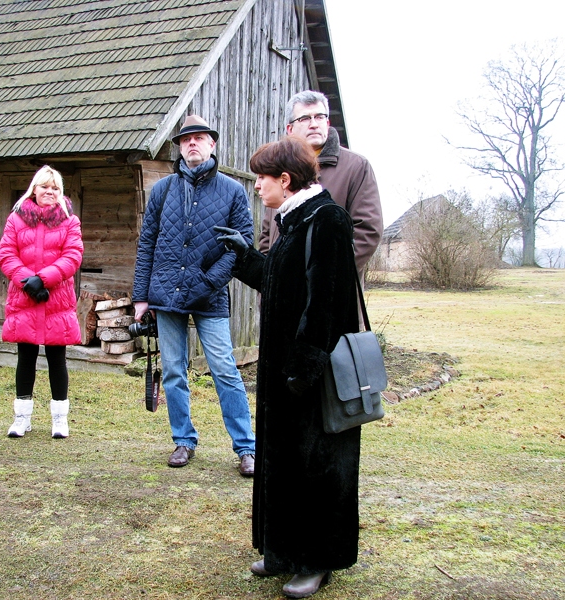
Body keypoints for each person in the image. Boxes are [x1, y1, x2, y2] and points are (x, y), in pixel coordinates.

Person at [215, 136, 361, 598]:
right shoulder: (293, 222)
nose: (256, 185)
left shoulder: (328, 221)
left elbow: (325, 305)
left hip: (312, 375)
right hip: (285, 371)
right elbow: (278, 285)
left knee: (318, 464)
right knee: (284, 462)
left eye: (262, 177)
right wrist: (244, 256)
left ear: (285, 179)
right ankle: (281, 551)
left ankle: (315, 560)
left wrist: (302, 371)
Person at [132, 115, 256, 477]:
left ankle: (246, 447)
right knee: (173, 370)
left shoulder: (232, 191)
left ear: (212, 144)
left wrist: (207, 282)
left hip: (210, 297)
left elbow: (240, 247)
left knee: (225, 370)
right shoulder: (163, 190)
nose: (192, 144)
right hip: (165, 295)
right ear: (180, 147)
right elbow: (147, 244)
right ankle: (183, 440)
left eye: (200, 138)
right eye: (186, 140)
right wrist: (141, 296)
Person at [0, 165, 83, 440]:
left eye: (55, 187)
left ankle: (60, 419)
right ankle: (21, 418)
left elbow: (73, 256)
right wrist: (28, 281)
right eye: (45, 186)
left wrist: (44, 280)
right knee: (26, 357)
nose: (50, 192)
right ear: (34, 189)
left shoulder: (70, 221)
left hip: (56, 298)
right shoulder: (15, 219)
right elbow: (6, 253)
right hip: (25, 297)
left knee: (57, 359)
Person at [259, 90, 382, 278]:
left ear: (328, 122)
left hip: (329, 298)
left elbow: (366, 232)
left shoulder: (356, 167)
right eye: (305, 119)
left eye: (320, 117)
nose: (314, 124)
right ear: (290, 129)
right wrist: (270, 280)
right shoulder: (279, 169)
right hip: (282, 296)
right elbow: (268, 235)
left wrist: (324, 280)